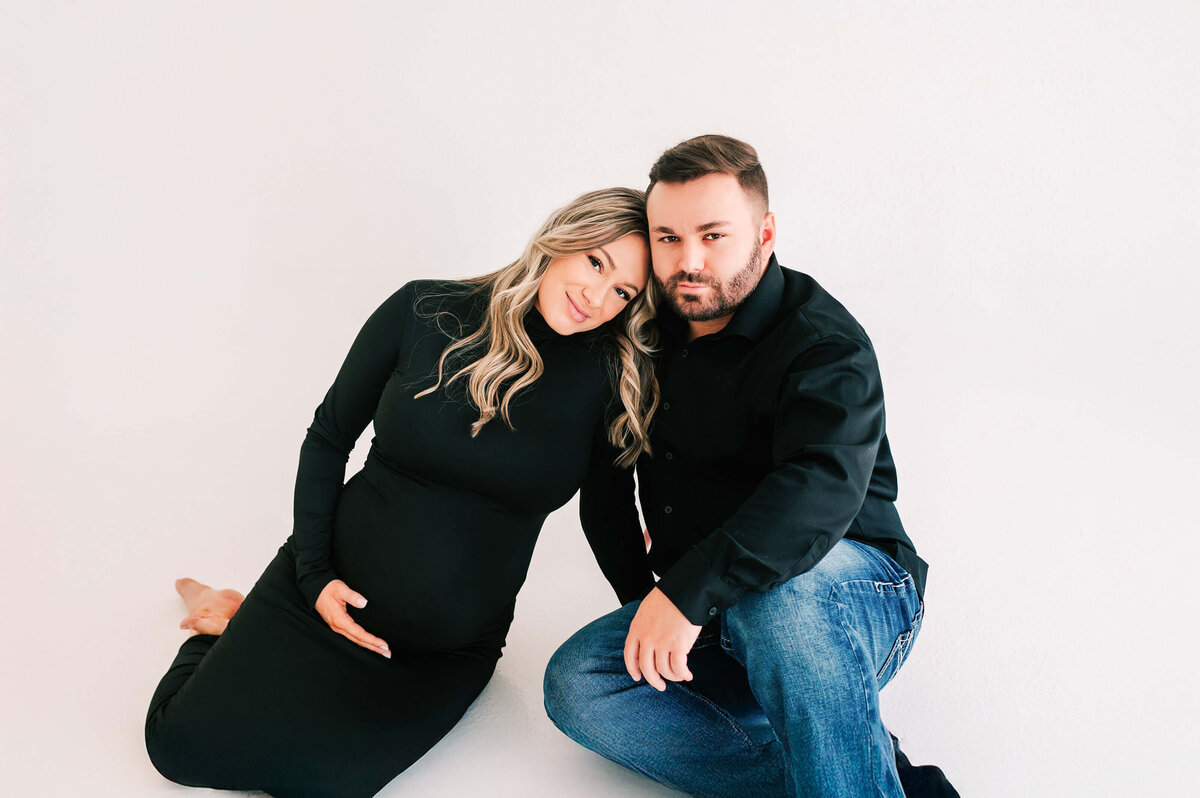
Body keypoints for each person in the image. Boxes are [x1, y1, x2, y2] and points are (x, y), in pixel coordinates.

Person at [144, 187, 661, 798]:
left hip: (438, 653)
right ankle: (220, 620)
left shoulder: (609, 380)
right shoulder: (425, 308)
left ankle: (240, 626)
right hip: (323, 591)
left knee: (327, 785)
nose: (596, 298)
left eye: (623, 291)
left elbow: (606, 517)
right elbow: (330, 436)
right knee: (176, 748)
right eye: (596, 263)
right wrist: (313, 577)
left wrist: (654, 613)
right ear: (562, 240)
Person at [544, 136, 958, 797]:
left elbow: (817, 491)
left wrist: (687, 589)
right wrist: (649, 604)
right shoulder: (644, 332)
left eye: (713, 235)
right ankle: (863, 772)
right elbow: (606, 484)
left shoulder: (823, 343)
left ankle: (842, 761)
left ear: (764, 233)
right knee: (578, 685)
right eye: (668, 238)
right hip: (715, 612)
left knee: (780, 598)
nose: (689, 261)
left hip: (851, 595)